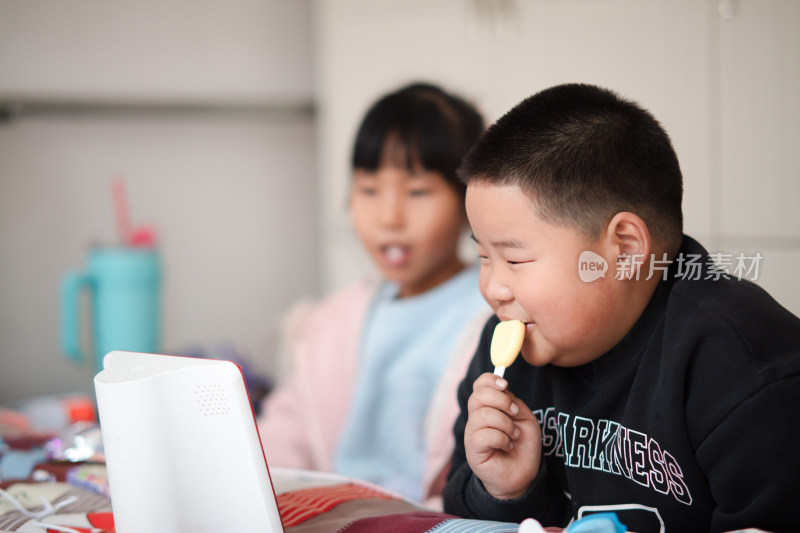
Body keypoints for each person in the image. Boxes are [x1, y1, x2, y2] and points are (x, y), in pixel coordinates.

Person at [442, 83, 800, 532]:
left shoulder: (745, 366)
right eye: (483, 257)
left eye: (514, 260)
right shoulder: (510, 349)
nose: (493, 288)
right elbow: (455, 510)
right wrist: (508, 492)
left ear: (626, 251)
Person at [258, 82, 492, 506]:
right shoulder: (332, 320)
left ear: (468, 201)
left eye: (417, 192)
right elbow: (282, 436)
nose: (388, 217)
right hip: (330, 513)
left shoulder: (496, 312)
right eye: (368, 190)